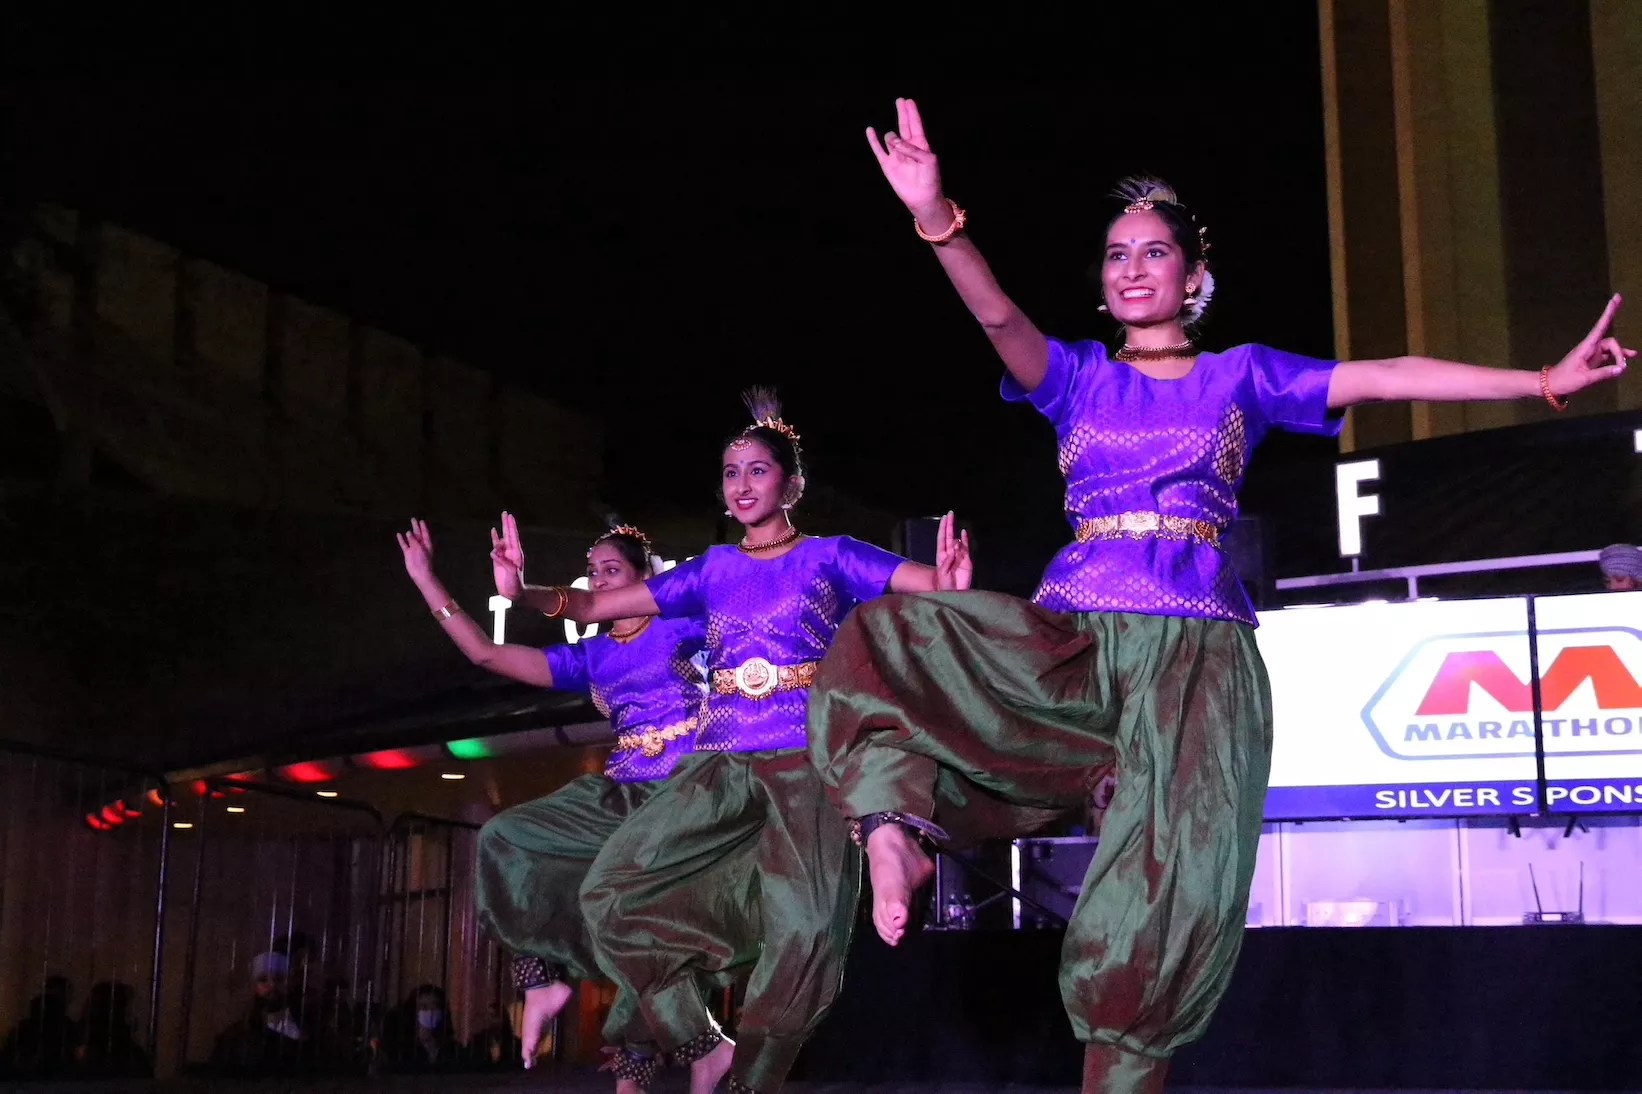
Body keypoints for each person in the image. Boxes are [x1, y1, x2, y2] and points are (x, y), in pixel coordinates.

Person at [806, 97, 1635, 1094]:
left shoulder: (1243, 375)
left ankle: (1120, 1073)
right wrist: (935, 216)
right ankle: (893, 831)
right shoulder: (1075, 377)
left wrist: (1542, 381)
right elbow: (996, 316)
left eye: (1154, 252)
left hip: (1197, 652)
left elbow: (1384, 375)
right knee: (890, 639)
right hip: (1076, 637)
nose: (1131, 268)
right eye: (1115, 255)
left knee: (1172, 889)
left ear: (1193, 278)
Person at [501, 389, 972, 1094]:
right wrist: (523, 591)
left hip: (802, 764)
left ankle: (756, 1076)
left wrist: (948, 582)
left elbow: (927, 584)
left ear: (792, 484)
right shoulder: (711, 570)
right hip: (717, 763)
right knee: (611, 892)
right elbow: (594, 605)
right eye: (730, 472)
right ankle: (698, 1041)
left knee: (807, 935)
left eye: (758, 470)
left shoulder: (830, 556)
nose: (742, 484)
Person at [398, 516, 712, 1089]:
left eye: (612, 570)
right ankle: (543, 980)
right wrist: (425, 579)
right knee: (503, 837)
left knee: (638, 920)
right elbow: (485, 655)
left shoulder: (683, 624)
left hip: (689, 793)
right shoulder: (594, 656)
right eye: (592, 573)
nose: (599, 581)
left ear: (645, 577)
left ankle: (679, 1053)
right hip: (621, 797)